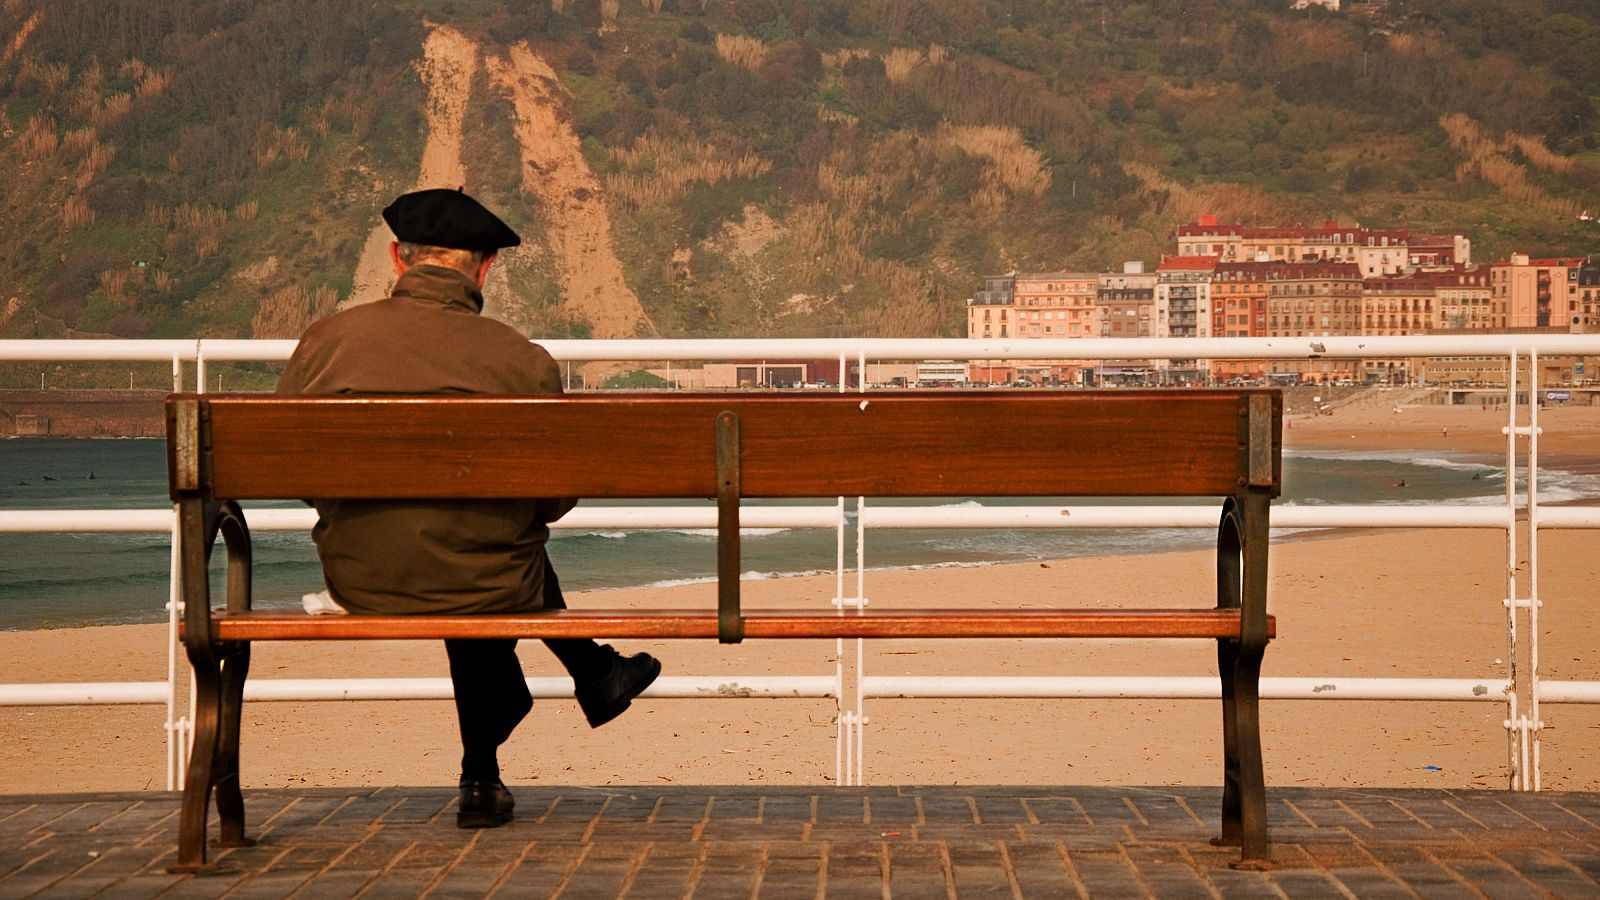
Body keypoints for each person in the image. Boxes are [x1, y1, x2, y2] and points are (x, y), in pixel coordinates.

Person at [276, 188, 661, 829]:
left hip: (363, 578)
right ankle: (562, 698)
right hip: (490, 580)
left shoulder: (326, 342)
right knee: (483, 554)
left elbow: (292, 468)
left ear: (398, 259)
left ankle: (498, 761)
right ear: (485, 268)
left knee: (459, 548)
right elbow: (554, 500)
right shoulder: (522, 361)